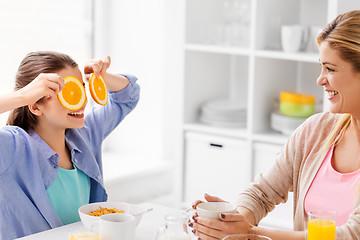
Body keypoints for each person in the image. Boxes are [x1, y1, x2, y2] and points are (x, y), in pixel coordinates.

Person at [189, 10, 360, 240]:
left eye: (330, 69)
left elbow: (352, 234)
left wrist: (251, 233)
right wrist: (232, 220)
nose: (320, 79)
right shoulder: (317, 130)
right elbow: (262, 192)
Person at [0, 51, 140, 240]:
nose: (81, 101)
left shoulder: (85, 135)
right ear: (35, 106)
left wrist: (102, 77)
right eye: (68, 92)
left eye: (81, 89)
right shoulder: (13, 147)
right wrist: (22, 97)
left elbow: (128, 97)